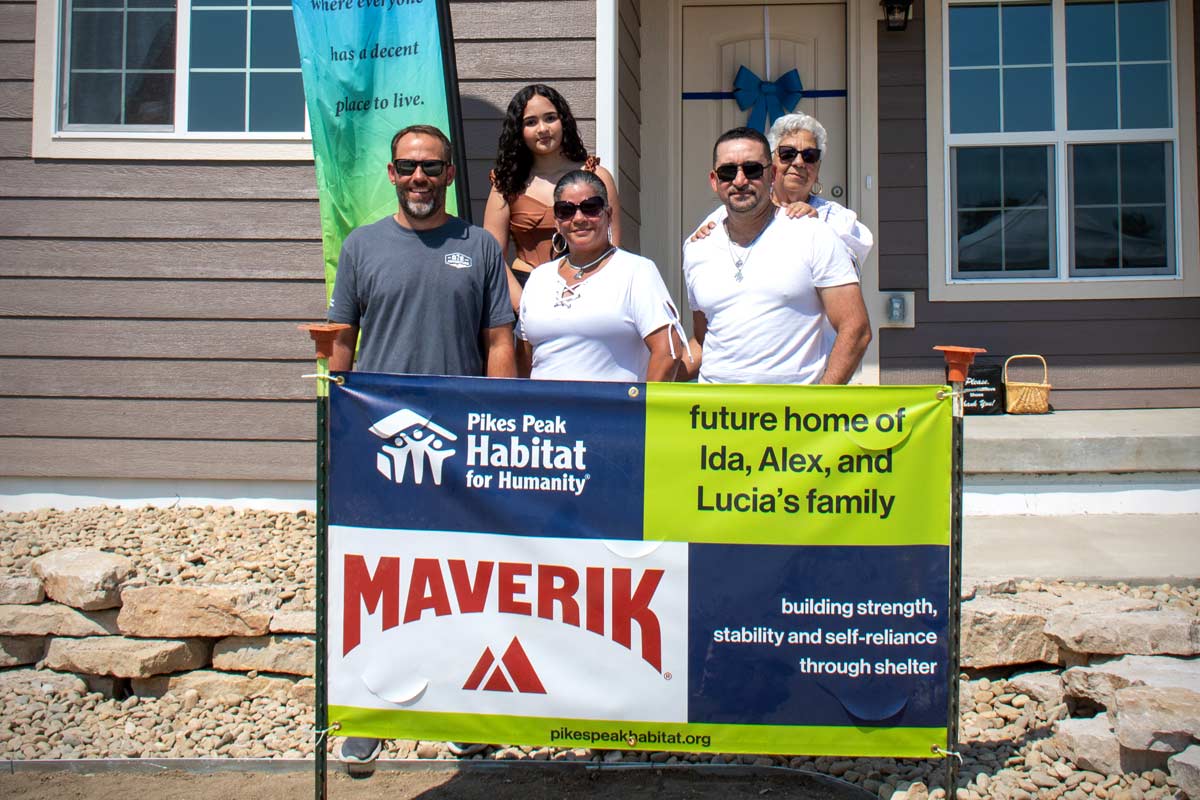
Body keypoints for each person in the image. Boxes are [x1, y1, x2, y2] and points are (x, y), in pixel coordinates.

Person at [327, 123, 516, 763]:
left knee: (464, 576)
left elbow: (498, 343)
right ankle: (373, 708)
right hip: (379, 443)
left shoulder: (480, 248)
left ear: (449, 175)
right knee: (384, 578)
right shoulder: (360, 247)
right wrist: (338, 417)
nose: (419, 179)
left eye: (431, 168)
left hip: (460, 440)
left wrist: (500, 420)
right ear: (391, 173)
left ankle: (463, 706)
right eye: (408, 167)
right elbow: (341, 342)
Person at [681, 126, 871, 385]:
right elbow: (705, 337)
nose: (739, 181)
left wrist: (820, 407)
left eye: (752, 170)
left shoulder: (814, 233)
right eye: (728, 172)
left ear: (771, 174)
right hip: (714, 414)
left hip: (790, 416)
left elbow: (856, 329)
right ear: (714, 181)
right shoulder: (697, 247)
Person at [516, 170, 684, 382]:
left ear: (609, 214)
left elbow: (668, 351)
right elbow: (523, 358)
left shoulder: (636, 271)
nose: (578, 218)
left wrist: (640, 410)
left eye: (590, 208)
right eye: (566, 210)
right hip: (545, 413)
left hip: (612, 414)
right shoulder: (539, 278)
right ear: (557, 222)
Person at [484, 84, 622, 312]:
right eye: (531, 122)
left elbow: (613, 247)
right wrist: (522, 305)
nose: (542, 129)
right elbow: (492, 255)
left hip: (589, 290)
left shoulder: (596, 175)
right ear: (518, 130)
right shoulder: (505, 184)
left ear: (564, 121)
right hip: (524, 291)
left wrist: (595, 295)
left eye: (550, 118)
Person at [691, 112, 873, 267]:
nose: (799, 162)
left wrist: (816, 228)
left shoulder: (838, 220)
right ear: (771, 166)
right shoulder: (732, 211)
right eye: (787, 153)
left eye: (810, 156)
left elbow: (843, 278)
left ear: (818, 169)